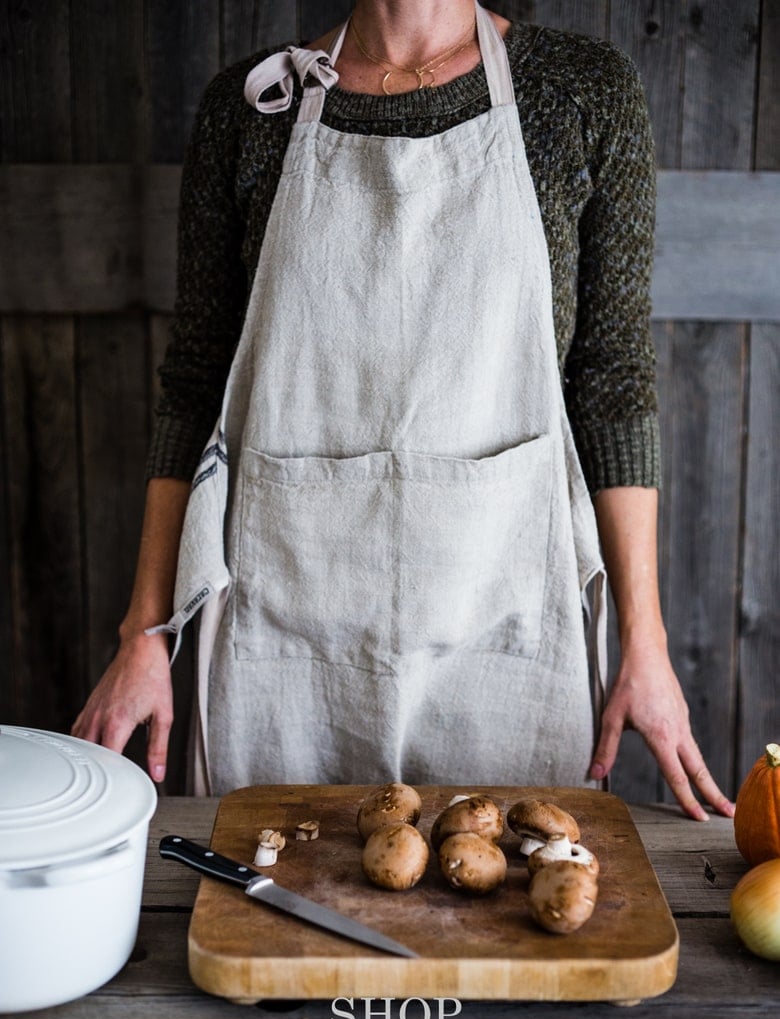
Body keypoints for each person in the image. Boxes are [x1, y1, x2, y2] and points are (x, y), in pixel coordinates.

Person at [72, 0, 734, 822]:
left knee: (504, 904)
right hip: (286, 631)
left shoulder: (582, 93)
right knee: (280, 900)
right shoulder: (250, 109)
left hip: (501, 614)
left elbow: (613, 383)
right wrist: (146, 632)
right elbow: (195, 386)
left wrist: (647, 645)